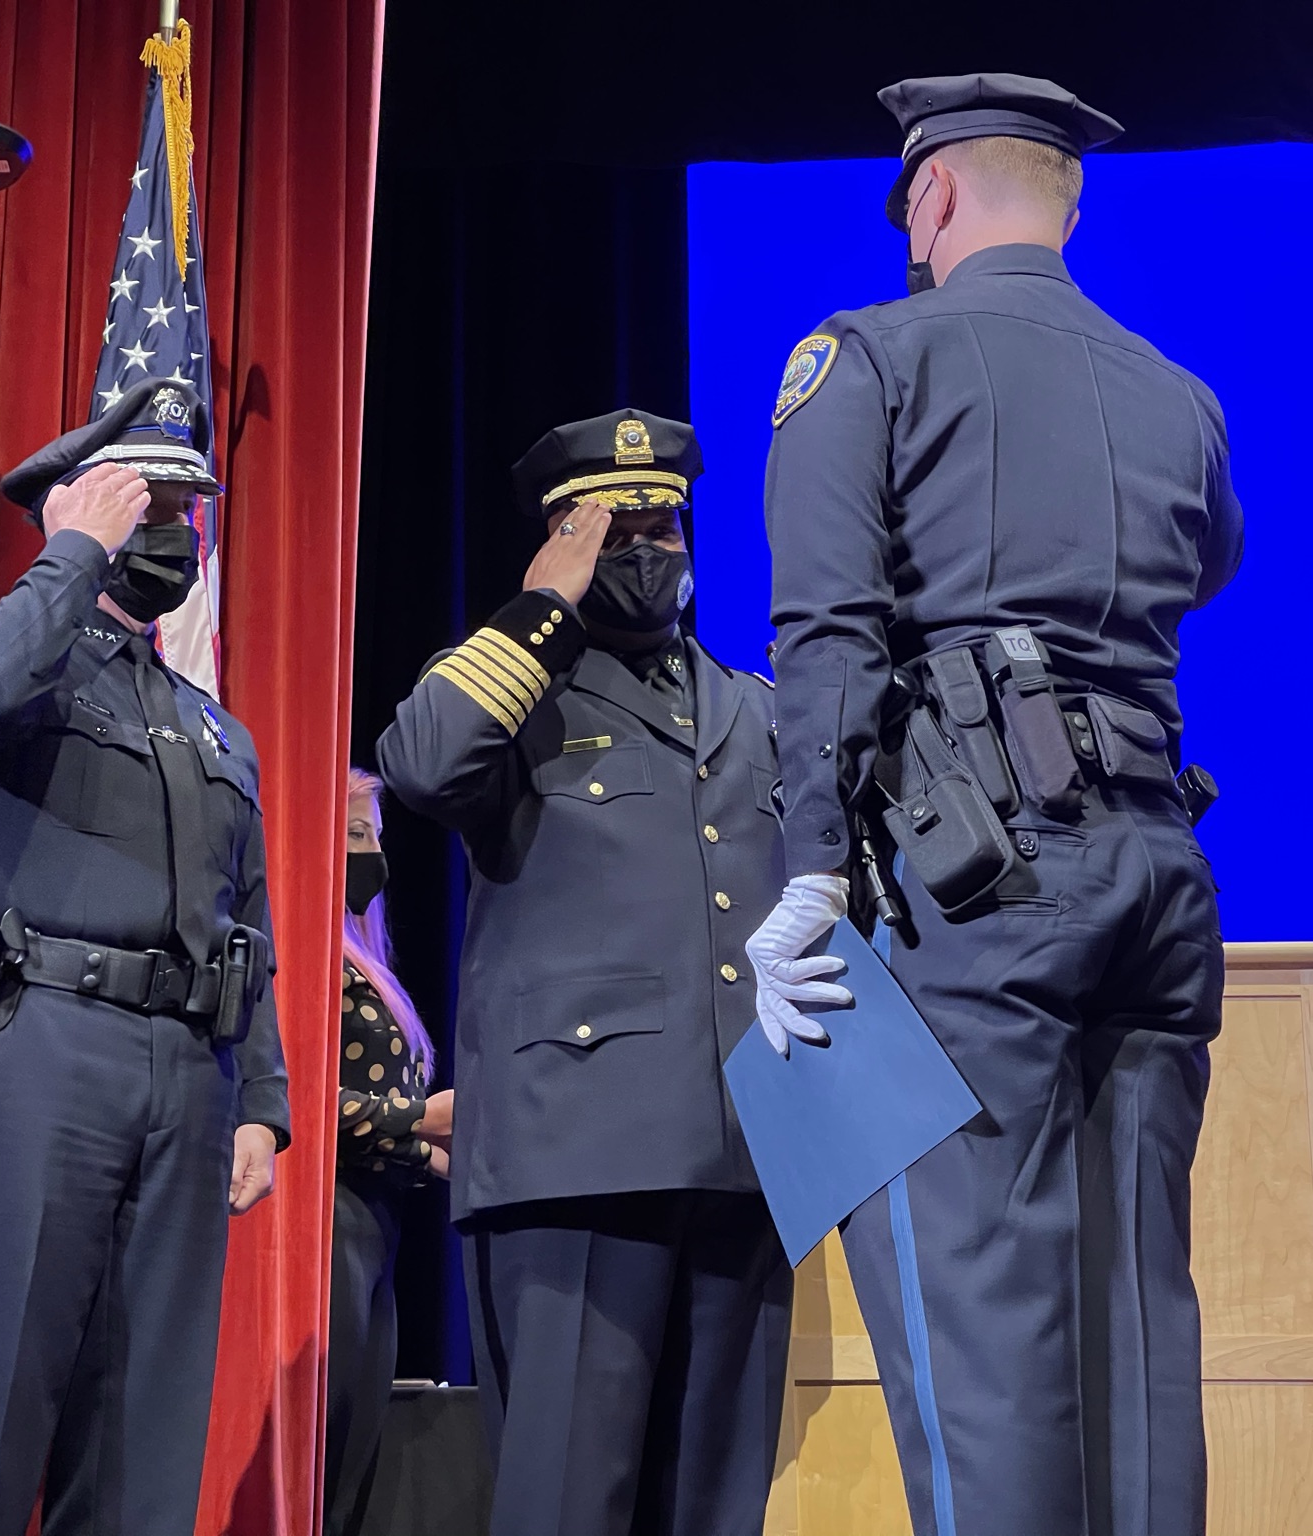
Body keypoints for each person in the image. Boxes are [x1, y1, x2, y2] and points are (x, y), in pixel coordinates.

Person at [746, 75, 1244, 1536]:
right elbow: (1207, 565)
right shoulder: (1178, 392)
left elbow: (827, 635)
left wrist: (810, 877)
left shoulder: (869, 358)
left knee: (979, 1335)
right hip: (1159, 867)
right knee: (1136, 1321)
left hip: (980, 885)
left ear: (935, 196)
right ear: (1067, 200)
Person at [376, 410, 793, 1536]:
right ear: (561, 540)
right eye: (611, 528)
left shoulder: (756, 708)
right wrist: (539, 609)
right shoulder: (517, 694)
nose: (645, 546)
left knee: (712, 1510)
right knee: (567, 1501)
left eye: (660, 520)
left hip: (745, 1161)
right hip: (575, 1158)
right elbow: (418, 764)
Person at [0, 377, 290, 1535]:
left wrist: (258, 1102)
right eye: (148, 504)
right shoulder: (4, 663)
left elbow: (251, 922)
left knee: (141, 1446)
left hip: (186, 1076)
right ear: (81, 510)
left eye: (187, 509)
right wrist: (71, 553)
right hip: (41, 1051)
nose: (173, 532)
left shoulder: (212, 723)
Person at [325, 766, 452, 1535]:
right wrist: (425, 1120)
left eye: (373, 836)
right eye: (352, 835)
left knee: (354, 1465)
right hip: (327, 1229)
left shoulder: (368, 963)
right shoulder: (314, 964)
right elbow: (306, 1104)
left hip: (377, 1228)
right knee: (327, 1446)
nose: (370, 854)